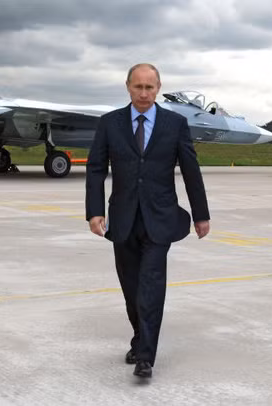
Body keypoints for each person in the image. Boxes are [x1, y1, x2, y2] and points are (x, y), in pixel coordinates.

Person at [85, 63, 210, 379]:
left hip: (160, 218)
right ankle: (140, 337)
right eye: (138, 87)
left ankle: (145, 356)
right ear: (128, 87)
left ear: (158, 88)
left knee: (151, 285)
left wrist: (201, 214)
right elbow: (96, 168)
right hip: (123, 218)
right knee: (131, 287)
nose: (143, 93)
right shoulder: (110, 123)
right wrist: (94, 211)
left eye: (149, 87)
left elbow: (191, 170)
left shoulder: (175, 124)